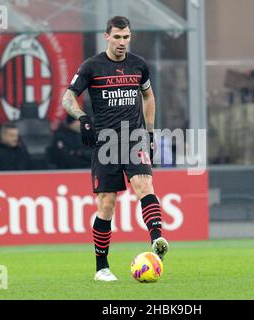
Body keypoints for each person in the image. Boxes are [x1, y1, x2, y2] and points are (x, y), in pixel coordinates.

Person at [62, 16, 169, 281]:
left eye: (127, 37)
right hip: (105, 142)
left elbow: (148, 96)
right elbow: (67, 97)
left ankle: (157, 239)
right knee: (107, 204)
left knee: (144, 185)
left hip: (134, 138)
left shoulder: (139, 65)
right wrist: (82, 118)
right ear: (106, 37)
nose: (122, 42)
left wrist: (151, 132)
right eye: (118, 37)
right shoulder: (91, 66)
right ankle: (102, 268)